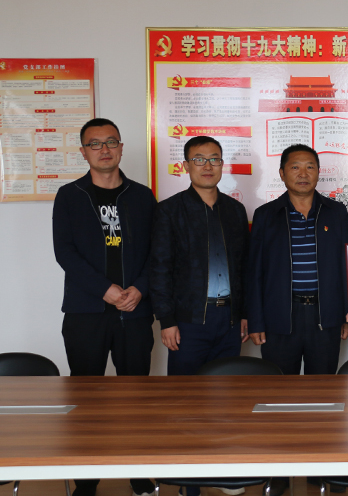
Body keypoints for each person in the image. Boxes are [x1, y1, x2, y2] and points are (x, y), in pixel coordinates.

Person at [52, 117, 156, 496]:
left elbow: (157, 251)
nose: (104, 149)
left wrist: (140, 288)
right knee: (86, 399)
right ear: (84, 152)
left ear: (121, 148)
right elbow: (65, 252)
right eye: (95, 144)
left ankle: (138, 473)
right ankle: (87, 480)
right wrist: (105, 290)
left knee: (136, 399)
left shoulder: (142, 196)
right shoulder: (70, 195)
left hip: (135, 312)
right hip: (86, 313)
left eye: (111, 142)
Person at [246, 144, 348, 375]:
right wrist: (255, 321)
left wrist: (347, 312)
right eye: (295, 167)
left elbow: (346, 267)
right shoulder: (266, 215)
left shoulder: (336, 212)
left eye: (310, 167)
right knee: (280, 387)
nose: (303, 174)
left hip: (326, 315)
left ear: (318, 172)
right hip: (279, 316)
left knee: (323, 387)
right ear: (282, 173)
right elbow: (255, 273)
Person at [149, 136, 250, 376]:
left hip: (230, 319)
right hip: (189, 320)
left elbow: (245, 267)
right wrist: (167, 320)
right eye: (199, 160)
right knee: (184, 391)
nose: (207, 166)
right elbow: (160, 269)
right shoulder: (169, 210)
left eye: (214, 159)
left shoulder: (235, 210)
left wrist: (245, 314)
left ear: (222, 165)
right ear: (186, 166)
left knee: (226, 387)